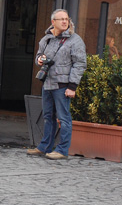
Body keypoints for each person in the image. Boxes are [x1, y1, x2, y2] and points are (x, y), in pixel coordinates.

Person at [27, 8, 86, 160]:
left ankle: (62, 150)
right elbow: (39, 56)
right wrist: (39, 60)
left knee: (64, 117)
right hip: (48, 83)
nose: (65, 21)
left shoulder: (75, 40)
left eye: (67, 19)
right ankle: (44, 147)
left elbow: (79, 64)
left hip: (63, 85)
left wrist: (72, 86)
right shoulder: (46, 38)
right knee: (48, 116)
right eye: (61, 19)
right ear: (53, 22)